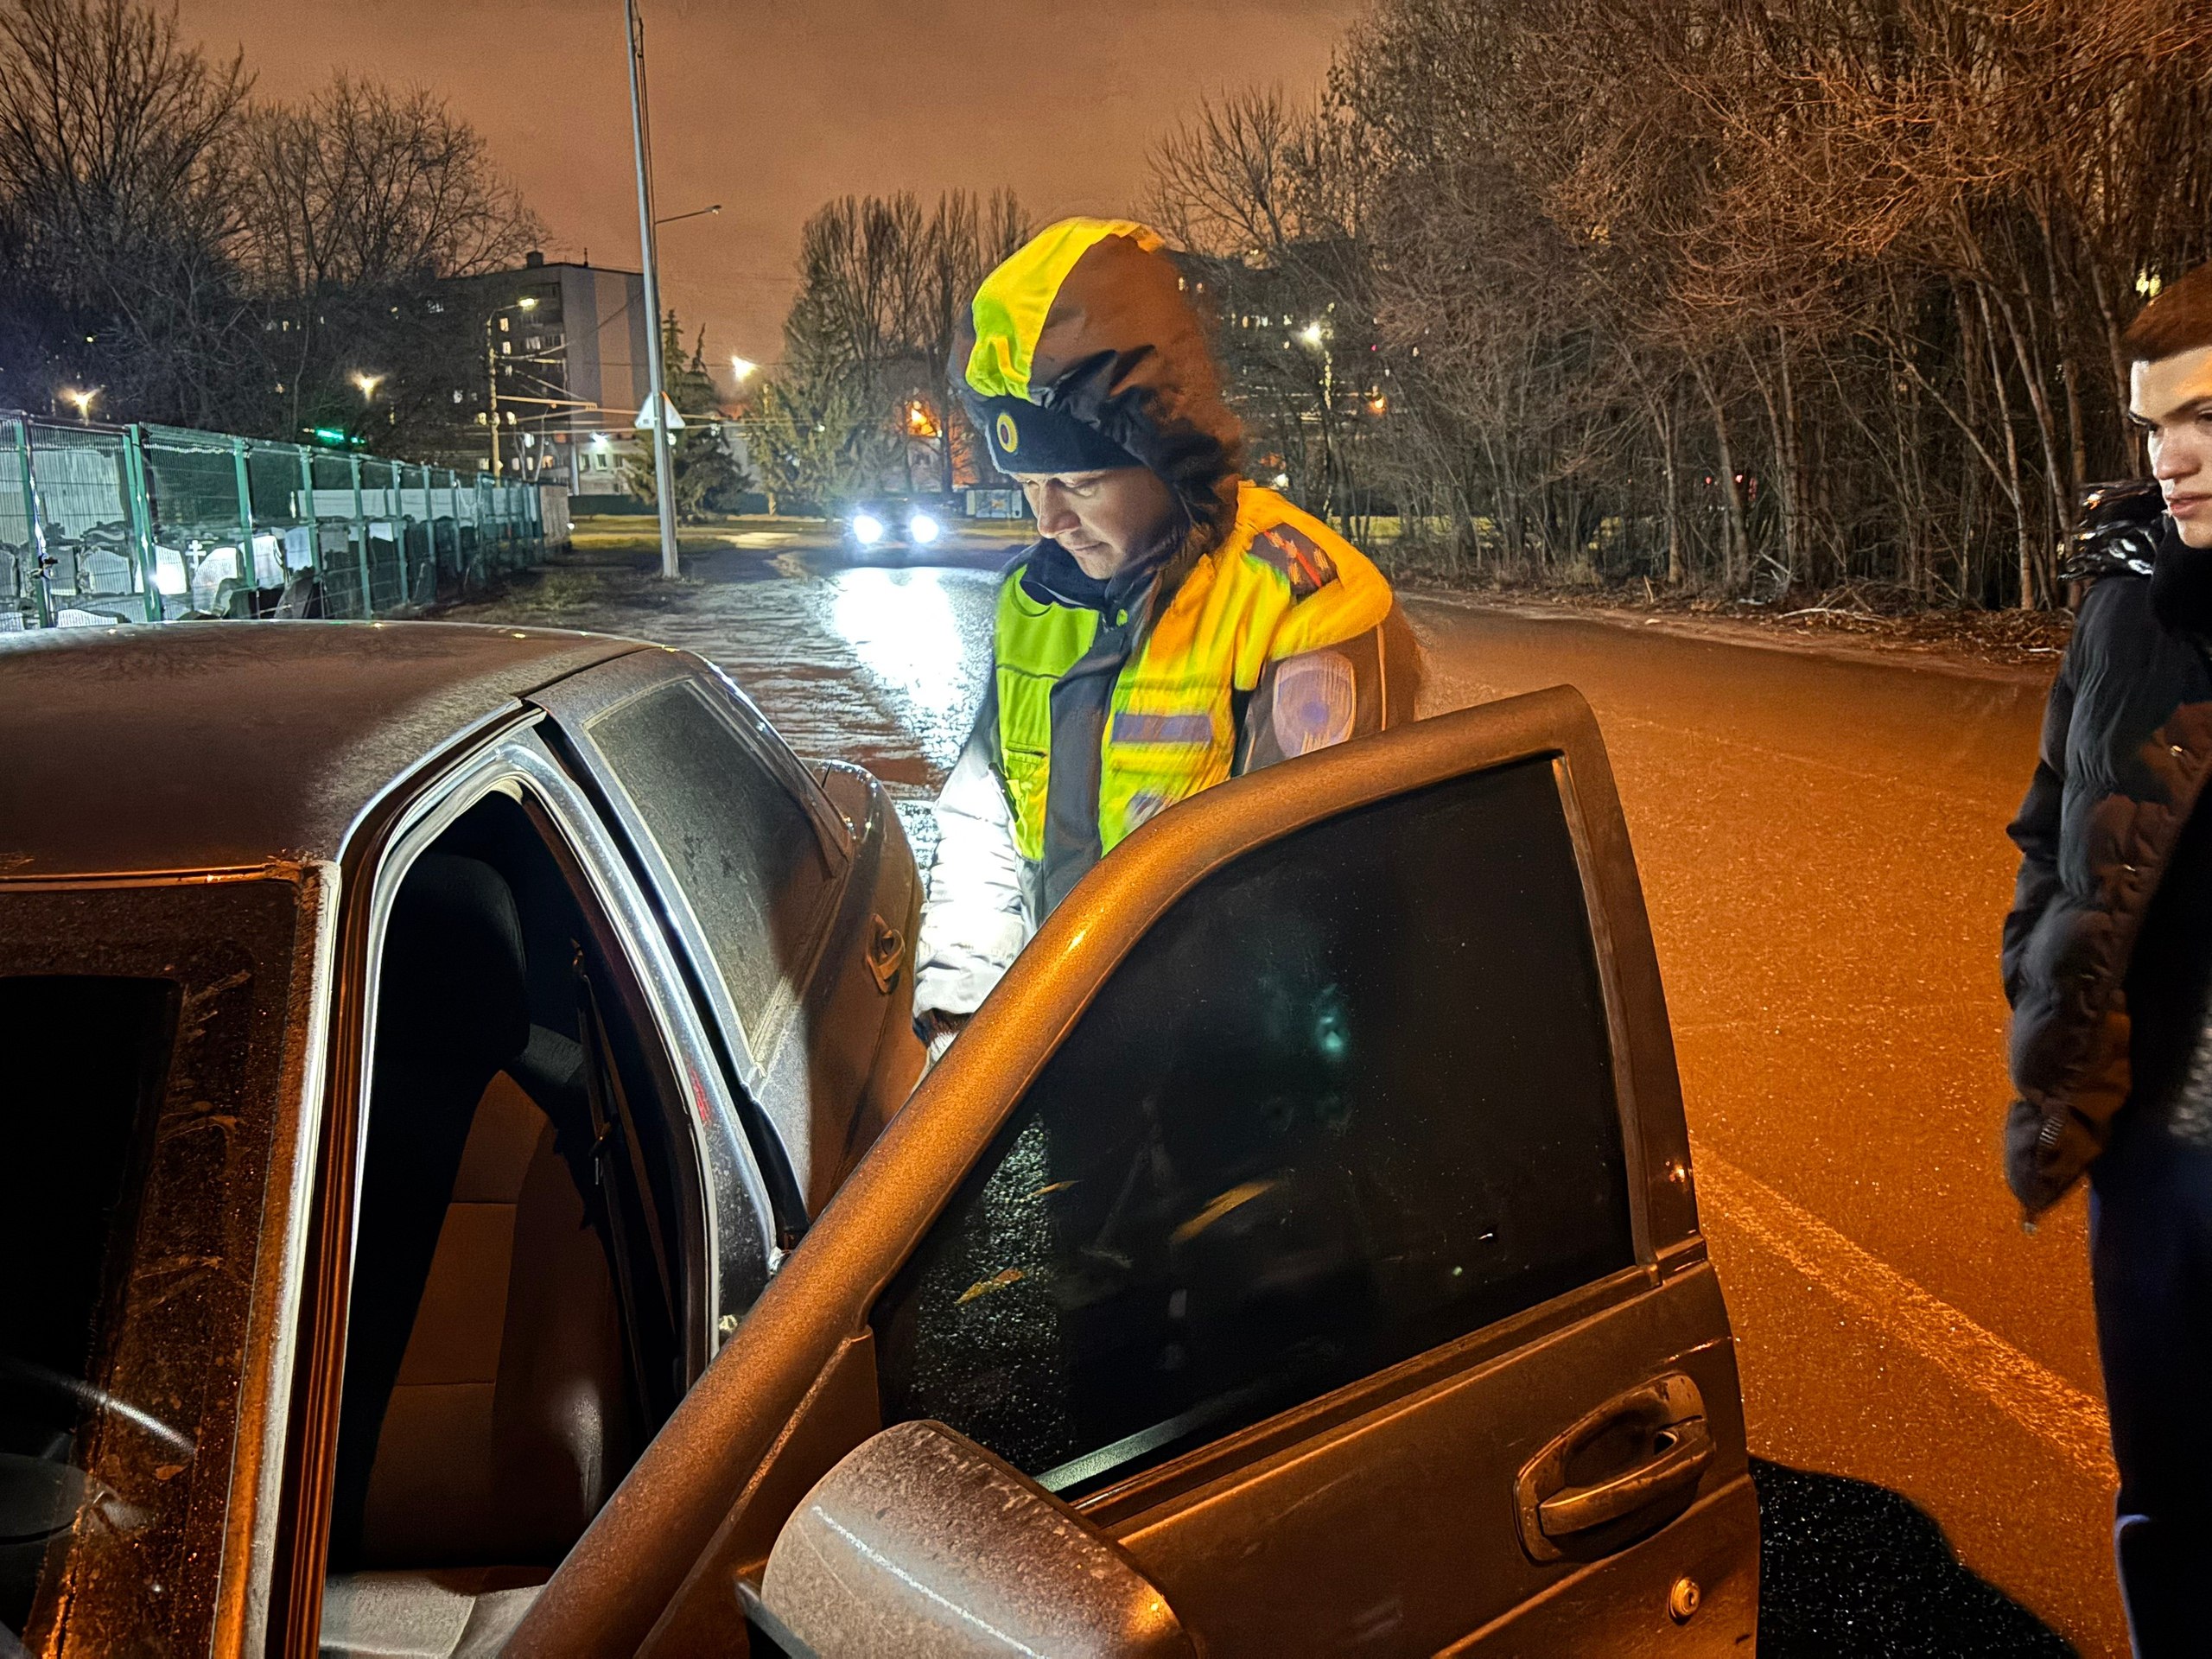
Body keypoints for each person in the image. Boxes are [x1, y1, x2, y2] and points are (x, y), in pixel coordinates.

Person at [913, 217, 1412, 1051]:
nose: (1051, 519)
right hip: (1058, 1053)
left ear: (1164, 451)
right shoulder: (1030, 601)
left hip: (1230, 1084)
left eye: (1077, 480)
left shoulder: (1299, 602)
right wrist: (969, 1024)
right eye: (1028, 485)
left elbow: (1313, 901)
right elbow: (986, 816)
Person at [2002, 261, 2212, 1656]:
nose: (2172, 455)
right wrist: (2043, 986)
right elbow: (2046, 827)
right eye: (2149, 427)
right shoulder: (2127, 608)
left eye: (2203, 416)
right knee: (2172, 1512)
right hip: (2157, 1167)